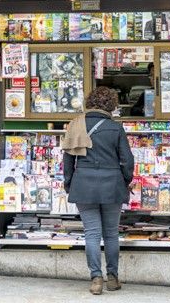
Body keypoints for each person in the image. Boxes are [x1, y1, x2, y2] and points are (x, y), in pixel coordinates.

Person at [62, 86, 134, 295]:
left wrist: (70, 184)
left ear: (90, 102)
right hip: (112, 184)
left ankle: (96, 278)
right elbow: (127, 161)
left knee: (91, 234)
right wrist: (124, 180)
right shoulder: (116, 128)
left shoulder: (76, 125)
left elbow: (68, 159)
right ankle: (112, 277)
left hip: (83, 183)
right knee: (111, 233)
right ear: (111, 105)